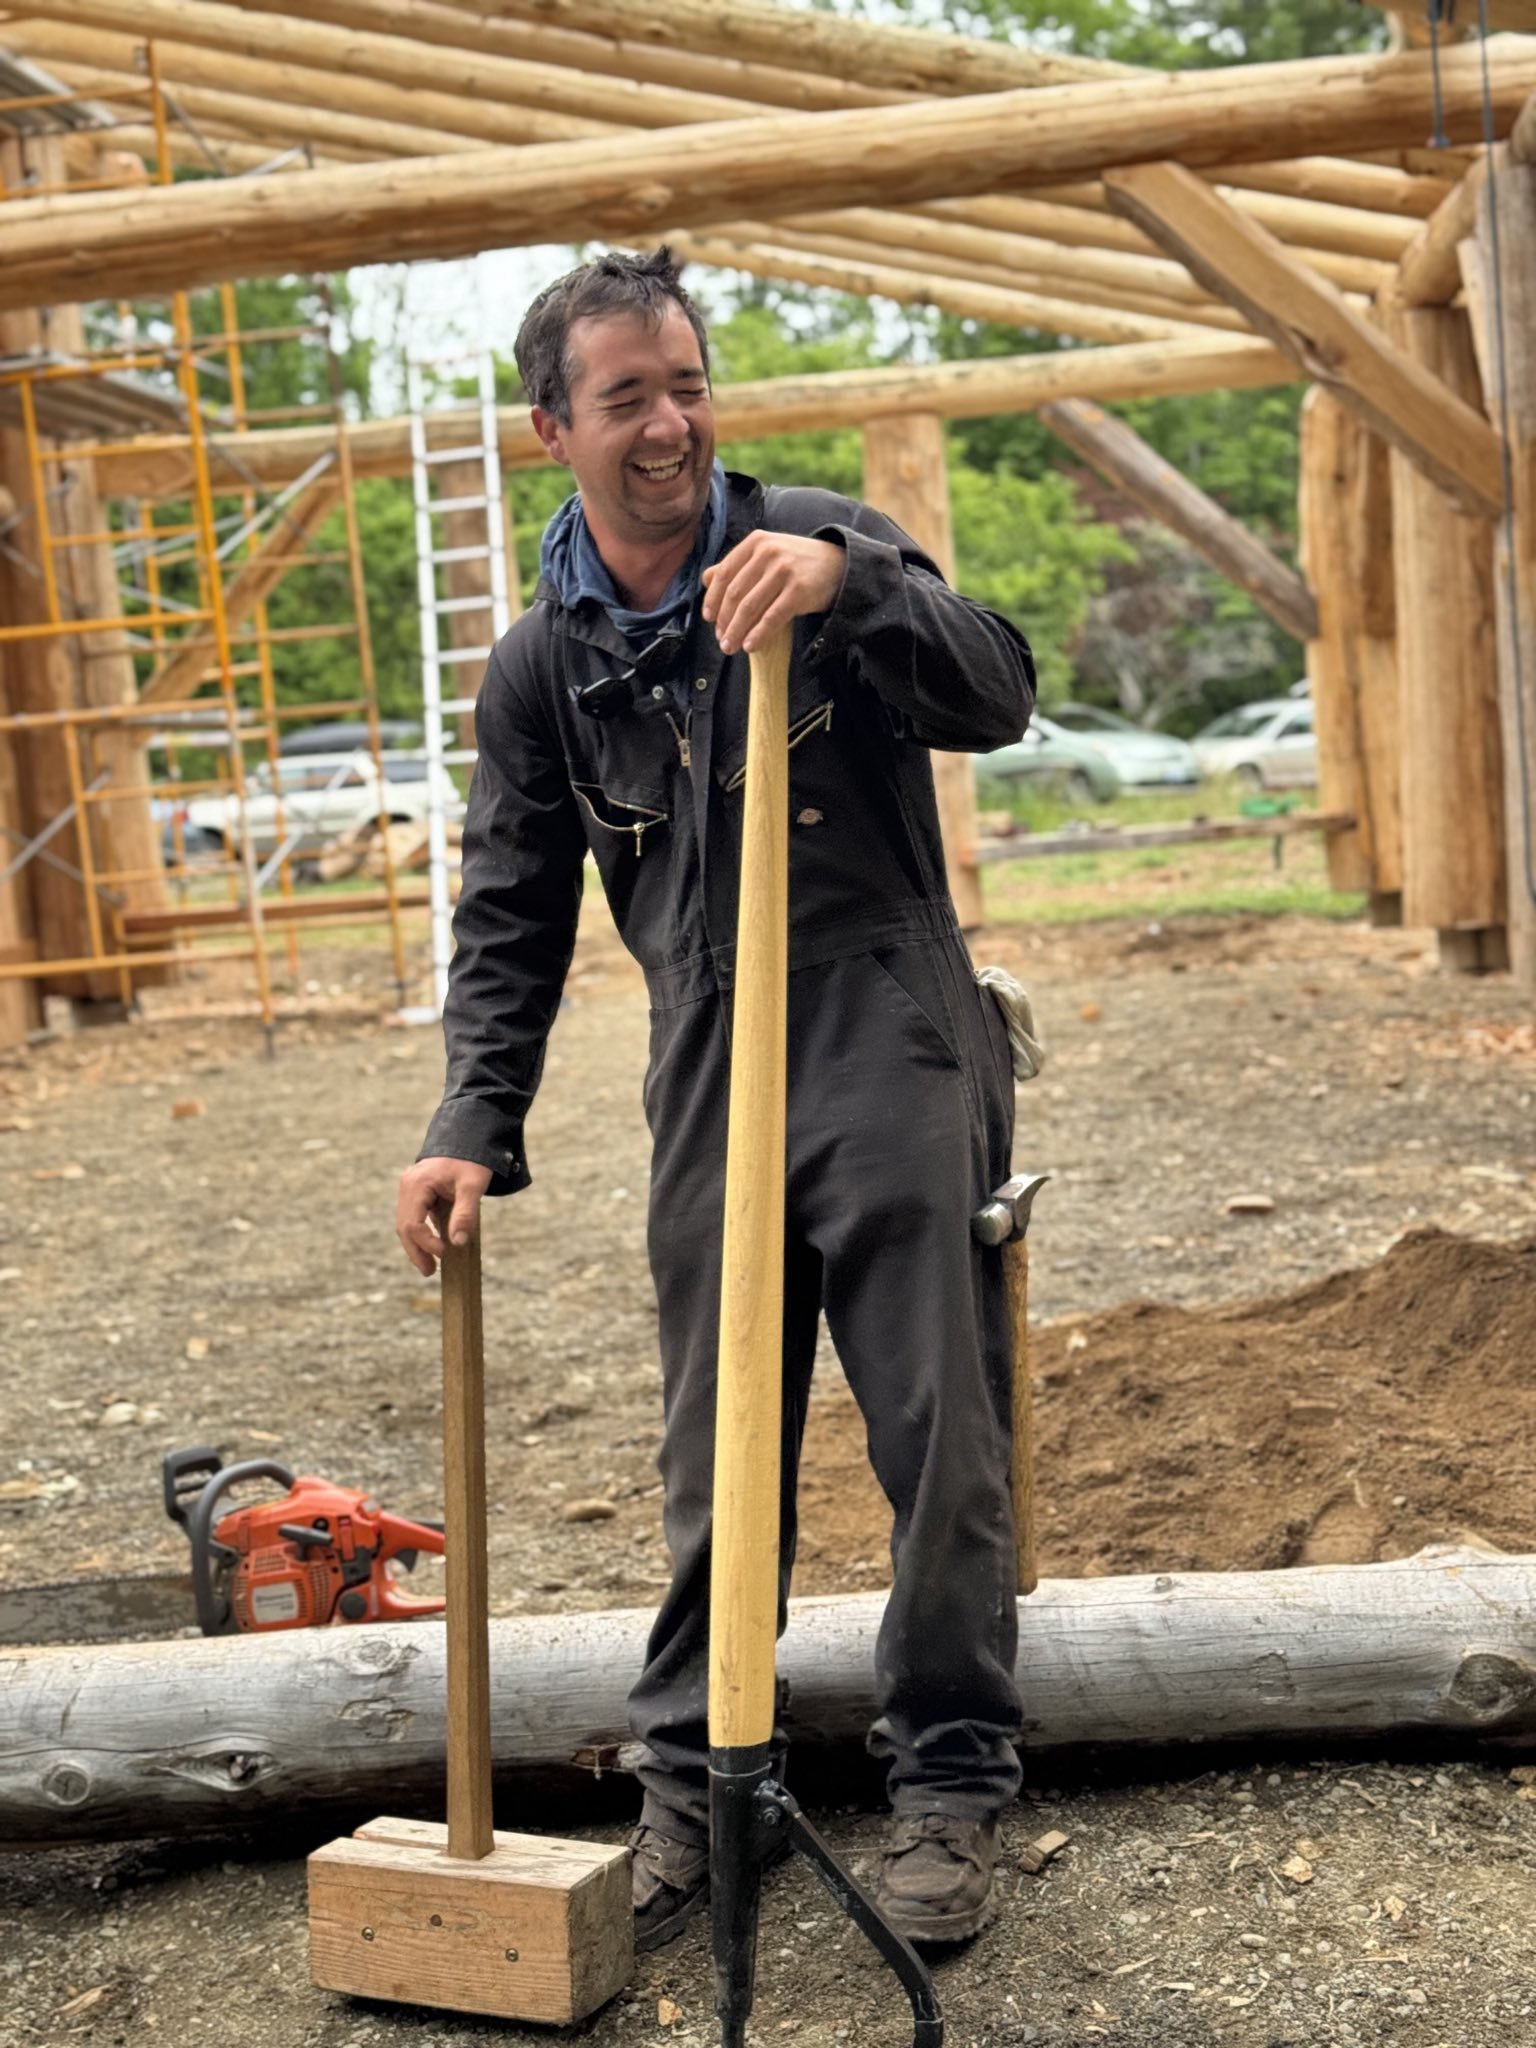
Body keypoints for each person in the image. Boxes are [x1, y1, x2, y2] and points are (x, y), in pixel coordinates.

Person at [396, 247, 1037, 1951]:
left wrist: (852, 584)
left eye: (687, 385)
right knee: (711, 1447)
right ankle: (695, 1793)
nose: (671, 423)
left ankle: (952, 1791)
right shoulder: (544, 666)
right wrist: (472, 1118)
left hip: (889, 1015)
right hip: (707, 1047)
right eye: (629, 398)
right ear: (556, 430)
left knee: (937, 1435)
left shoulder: (815, 539)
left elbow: (1005, 689)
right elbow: (512, 906)